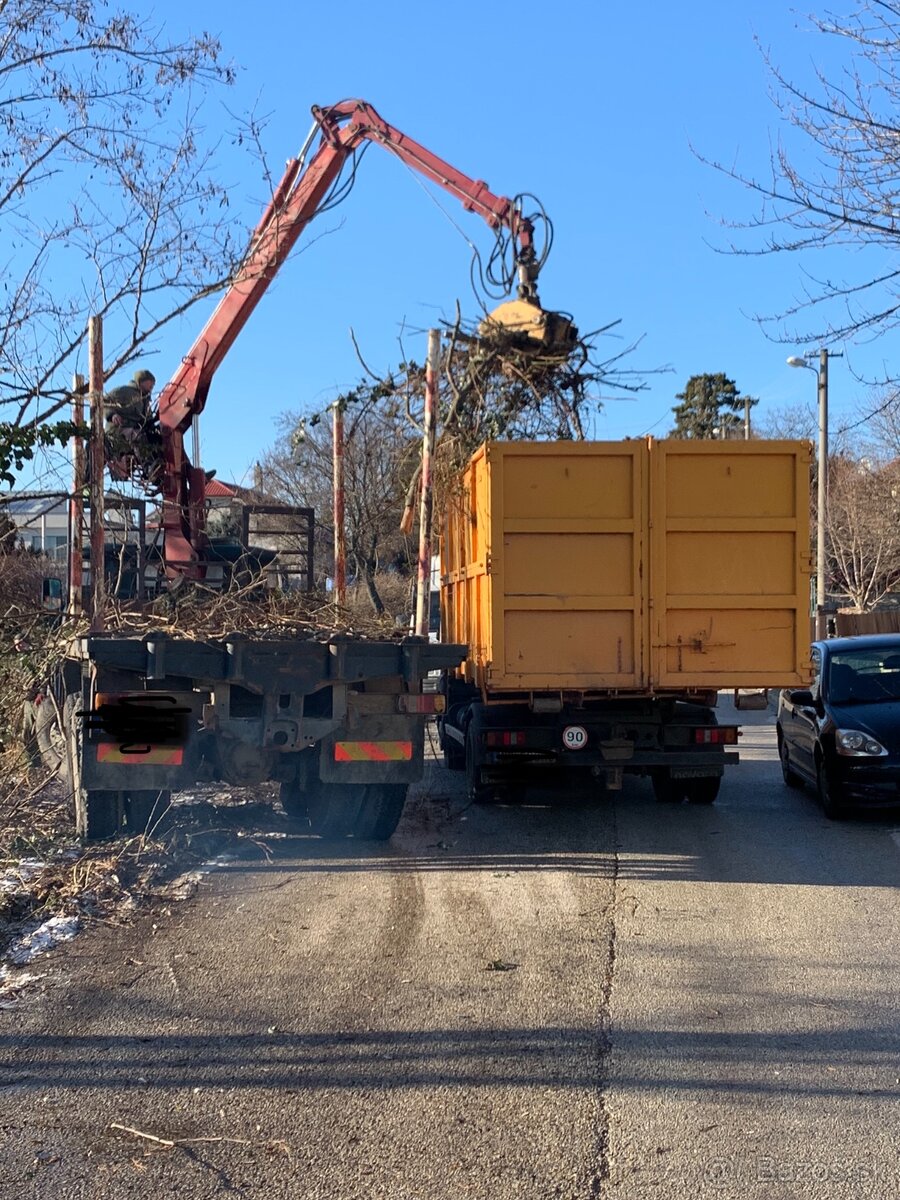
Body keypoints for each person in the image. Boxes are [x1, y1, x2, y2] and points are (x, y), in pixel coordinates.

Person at [103, 368, 165, 487]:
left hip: (134, 431)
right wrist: (112, 415)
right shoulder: (125, 392)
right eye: (150, 382)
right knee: (137, 436)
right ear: (141, 381)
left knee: (158, 439)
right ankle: (148, 468)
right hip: (119, 430)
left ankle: (159, 473)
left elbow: (146, 422)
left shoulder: (145, 400)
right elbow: (104, 401)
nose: (153, 386)